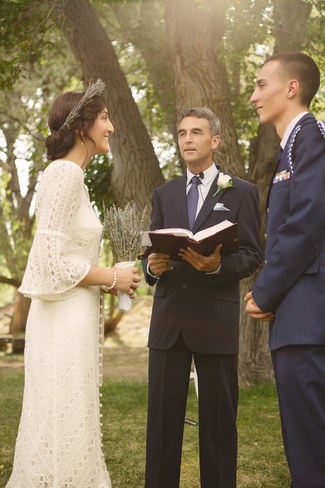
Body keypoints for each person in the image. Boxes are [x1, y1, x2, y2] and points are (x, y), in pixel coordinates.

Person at [6, 79, 141, 488]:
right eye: (104, 117)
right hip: (62, 320)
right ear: (81, 127)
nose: (112, 127)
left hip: (71, 314)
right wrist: (112, 277)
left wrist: (110, 279)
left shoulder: (66, 176)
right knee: (62, 411)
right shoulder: (65, 174)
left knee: (69, 412)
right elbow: (49, 259)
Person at [143, 107, 262, 488]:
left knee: (218, 425)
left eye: (196, 132)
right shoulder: (163, 193)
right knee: (161, 425)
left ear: (215, 141)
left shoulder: (241, 191)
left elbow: (253, 255)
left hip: (215, 320)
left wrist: (215, 268)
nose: (187, 139)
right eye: (181, 133)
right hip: (168, 322)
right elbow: (151, 251)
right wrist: (151, 268)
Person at [245, 52, 325, 488]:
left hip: (308, 320)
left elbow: (307, 219)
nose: (254, 95)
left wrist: (266, 290)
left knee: (311, 450)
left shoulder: (310, 136)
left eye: (261, 85)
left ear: (291, 88)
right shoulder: (291, 145)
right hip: (299, 318)